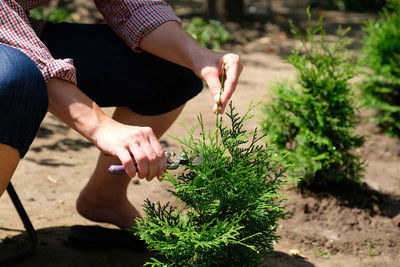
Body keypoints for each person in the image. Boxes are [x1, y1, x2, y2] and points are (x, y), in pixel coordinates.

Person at [0, 0, 242, 230]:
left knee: (172, 68)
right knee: (16, 79)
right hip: (9, 48)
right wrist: (99, 126)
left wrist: (198, 56)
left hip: (20, 30)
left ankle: (105, 198)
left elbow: (130, 4)